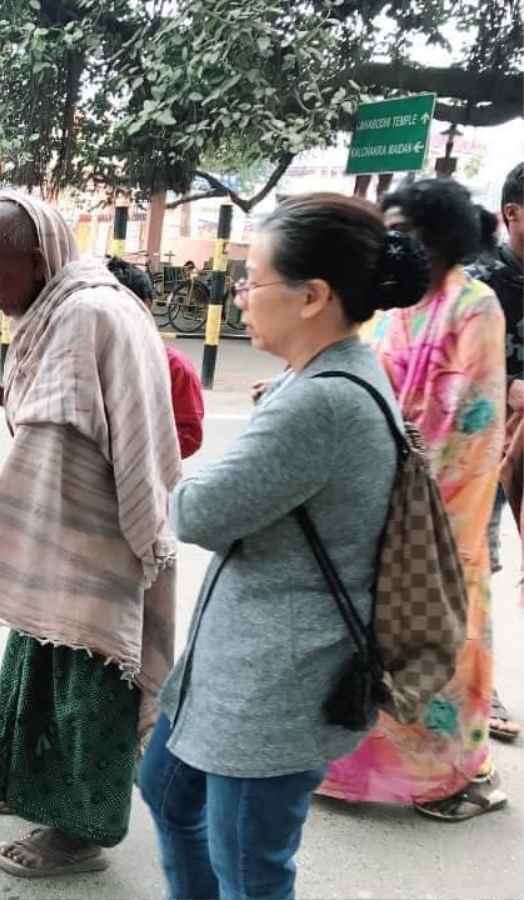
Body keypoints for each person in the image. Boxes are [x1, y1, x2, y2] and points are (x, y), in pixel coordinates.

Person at [138, 193, 429, 900]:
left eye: (254, 279)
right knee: (168, 792)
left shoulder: (319, 402)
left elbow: (196, 510)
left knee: (250, 868)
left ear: (313, 296)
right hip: (242, 667)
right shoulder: (330, 378)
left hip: (274, 684)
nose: (240, 297)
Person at [0, 192, 180, 877]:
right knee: (40, 675)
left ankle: (83, 833)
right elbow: (64, 417)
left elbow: (52, 471)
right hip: (68, 545)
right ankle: (38, 795)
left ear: (38, 260)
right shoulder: (71, 303)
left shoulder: (83, 316)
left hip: (93, 545)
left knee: (87, 696)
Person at [318, 177, 507, 821]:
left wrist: (399, 487)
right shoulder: (392, 307)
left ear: (442, 238)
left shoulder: (474, 304)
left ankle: (464, 775)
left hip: (442, 513)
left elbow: (469, 422)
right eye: (388, 232)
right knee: (376, 636)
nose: (395, 245)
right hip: (384, 499)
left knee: (440, 640)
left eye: (408, 234)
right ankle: (358, 769)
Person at [467, 162, 523, 742]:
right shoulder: (482, 284)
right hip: (481, 458)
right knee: (475, 569)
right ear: (511, 213)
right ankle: (477, 692)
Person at [107, 257, 206, 457]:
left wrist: (126, 447)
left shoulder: (174, 367)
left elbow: (189, 436)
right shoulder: (86, 358)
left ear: (144, 306)